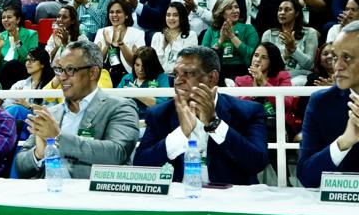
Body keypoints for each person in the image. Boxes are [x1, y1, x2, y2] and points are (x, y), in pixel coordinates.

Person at [135, 46, 268, 185]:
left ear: (212, 78)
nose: (178, 81)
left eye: (187, 73)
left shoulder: (248, 112)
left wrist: (214, 124)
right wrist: (181, 134)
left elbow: (257, 163)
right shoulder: (160, 114)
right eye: (176, 74)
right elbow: (141, 165)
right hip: (181, 199)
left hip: (231, 200)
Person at [15, 41, 139, 179]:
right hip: (49, 194)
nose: (62, 77)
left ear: (93, 73)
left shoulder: (120, 107)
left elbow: (116, 153)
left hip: (93, 197)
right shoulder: (51, 114)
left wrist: (58, 138)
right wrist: (38, 154)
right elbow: (20, 166)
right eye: (60, 69)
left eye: (70, 69)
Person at [298, 21, 359, 186]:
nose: (337, 66)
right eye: (335, 57)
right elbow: (306, 176)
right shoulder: (321, 102)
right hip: (338, 207)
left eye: (347, 57)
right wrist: (343, 142)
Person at [235, 43, 302, 140]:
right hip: (250, 124)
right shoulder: (241, 80)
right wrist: (253, 88)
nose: (257, 60)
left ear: (272, 61)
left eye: (264, 57)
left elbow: (286, 102)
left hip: (277, 124)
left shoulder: (282, 76)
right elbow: (238, 108)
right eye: (256, 55)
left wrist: (263, 82)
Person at [201, 0, 260, 82]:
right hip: (217, 72)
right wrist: (220, 40)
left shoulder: (248, 29)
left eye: (236, 7)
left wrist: (232, 37)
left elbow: (252, 56)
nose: (235, 11)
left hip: (242, 71)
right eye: (229, 8)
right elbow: (204, 58)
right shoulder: (211, 31)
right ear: (221, 12)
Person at [259, 0, 318, 84]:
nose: (282, 13)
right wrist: (285, 56)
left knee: (295, 83)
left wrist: (293, 49)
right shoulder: (268, 35)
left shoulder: (310, 33)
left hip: (300, 76)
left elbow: (309, 65)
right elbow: (265, 63)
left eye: (287, 10)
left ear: (297, 13)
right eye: (280, 9)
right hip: (275, 76)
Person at [95, 0, 146, 84]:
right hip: (104, 77)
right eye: (111, 12)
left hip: (127, 77)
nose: (114, 15)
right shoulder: (102, 32)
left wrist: (121, 43)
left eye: (118, 12)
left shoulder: (137, 34)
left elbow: (137, 64)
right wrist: (107, 45)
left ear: (126, 15)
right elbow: (95, 62)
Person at [118, 46, 171, 116]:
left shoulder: (161, 78)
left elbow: (162, 105)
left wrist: (136, 93)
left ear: (152, 65)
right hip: (127, 118)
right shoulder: (126, 78)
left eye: (144, 66)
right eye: (137, 65)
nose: (140, 70)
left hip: (151, 121)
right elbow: (116, 101)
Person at [151, 2, 198, 74]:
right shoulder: (157, 36)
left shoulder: (191, 35)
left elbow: (187, 60)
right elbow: (153, 64)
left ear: (182, 18)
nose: (171, 18)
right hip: (159, 78)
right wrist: (162, 48)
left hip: (180, 76)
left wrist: (172, 42)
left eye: (175, 15)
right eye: (168, 15)